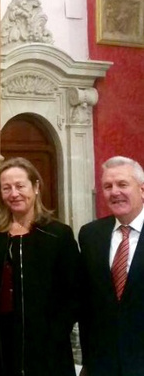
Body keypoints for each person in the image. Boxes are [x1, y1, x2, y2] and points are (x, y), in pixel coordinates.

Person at [0, 157, 80, 376]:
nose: (14, 194)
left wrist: (55, 333)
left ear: (36, 187)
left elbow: (72, 293)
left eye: (20, 186)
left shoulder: (57, 234)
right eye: (7, 188)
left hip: (46, 345)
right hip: (1, 344)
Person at [78, 155, 144, 376]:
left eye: (122, 184)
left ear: (142, 189)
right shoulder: (90, 235)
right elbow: (86, 302)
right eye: (108, 186)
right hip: (102, 362)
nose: (114, 192)